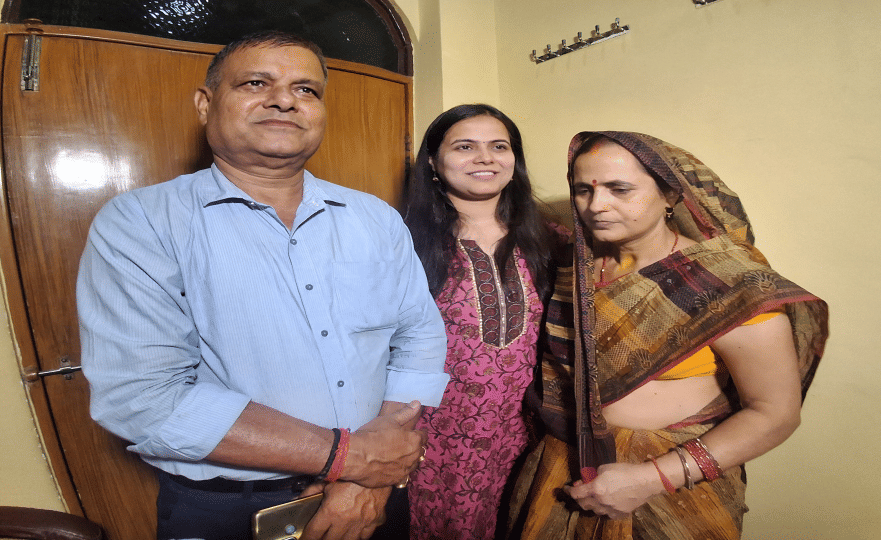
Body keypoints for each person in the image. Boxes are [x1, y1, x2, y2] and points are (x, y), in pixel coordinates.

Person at [76, 31, 449, 540]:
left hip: (375, 496)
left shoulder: (374, 218)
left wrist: (370, 478)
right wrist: (352, 458)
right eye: (256, 83)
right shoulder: (143, 222)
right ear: (206, 105)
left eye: (307, 90)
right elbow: (143, 396)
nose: (284, 99)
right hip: (230, 511)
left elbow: (419, 339)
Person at [509, 131, 829, 539]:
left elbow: (775, 413)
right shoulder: (575, 270)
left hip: (672, 485)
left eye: (619, 189)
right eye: (583, 190)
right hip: (561, 468)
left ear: (670, 197)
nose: (597, 205)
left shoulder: (726, 286)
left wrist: (649, 479)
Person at [402, 104, 567, 540]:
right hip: (430, 441)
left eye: (499, 146)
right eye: (465, 147)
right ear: (434, 163)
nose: (485, 158)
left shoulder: (553, 239)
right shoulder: (402, 241)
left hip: (523, 435)